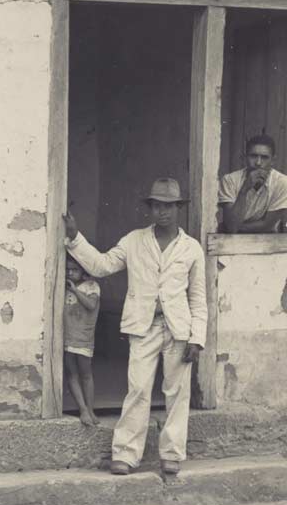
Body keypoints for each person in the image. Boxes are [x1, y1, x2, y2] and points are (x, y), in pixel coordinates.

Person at [63, 178, 207, 476]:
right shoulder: (134, 241)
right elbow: (102, 265)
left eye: (168, 206)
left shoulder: (191, 248)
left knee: (176, 392)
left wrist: (197, 338)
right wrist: (75, 237)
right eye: (156, 205)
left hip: (179, 329)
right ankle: (126, 454)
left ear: (177, 208)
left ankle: (172, 454)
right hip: (143, 327)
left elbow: (198, 297)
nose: (162, 212)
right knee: (138, 389)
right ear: (150, 209)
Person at [219, 134, 287, 233]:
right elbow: (231, 225)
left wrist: (234, 227)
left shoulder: (282, 183)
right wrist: (245, 188)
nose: (258, 163)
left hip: (267, 238)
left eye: (264, 157)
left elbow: (267, 225)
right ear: (245, 157)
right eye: (253, 156)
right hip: (232, 239)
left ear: (273, 160)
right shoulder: (230, 180)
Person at [63, 256, 101, 427]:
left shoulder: (92, 286)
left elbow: (91, 305)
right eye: (68, 269)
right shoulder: (63, 286)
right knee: (72, 374)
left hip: (84, 337)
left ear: (83, 270)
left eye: (75, 270)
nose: (70, 273)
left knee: (86, 374)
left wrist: (75, 291)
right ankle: (83, 409)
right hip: (67, 336)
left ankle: (90, 409)